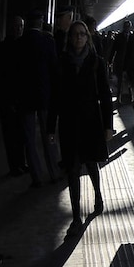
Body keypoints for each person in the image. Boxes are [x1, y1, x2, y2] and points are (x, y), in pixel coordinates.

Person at [48, 20, 115, 236]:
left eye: (82, 34)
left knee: (92, 163)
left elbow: (105, 96)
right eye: (75, 34)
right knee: (73, 169)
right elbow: (55, 98)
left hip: (90, 122)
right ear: (70, 38)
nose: (78, 37)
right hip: (69, 124)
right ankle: (76, 217)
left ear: (87, 37)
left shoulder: (97, 63)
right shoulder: (61, 63)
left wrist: (108, 126)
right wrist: (50, 128)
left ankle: (97, 194)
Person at [18, 10, 61, 187]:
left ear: (27, 23)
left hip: (25, 97)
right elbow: (54, 70)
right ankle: (54, 172)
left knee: (29, 137)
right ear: (42, 21)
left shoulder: (19, 43)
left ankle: (36, 176)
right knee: (49, 135)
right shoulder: (48, 42)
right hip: (45, 95)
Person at [0, 16, 29, 176]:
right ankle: (14, 165)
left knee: (20, 134)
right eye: (16, 26)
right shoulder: (3, 48)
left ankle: (21, 162)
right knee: (10, 134)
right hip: (7, 98)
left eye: (21, 26)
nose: (18, 29)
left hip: (20, 98)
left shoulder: (24, 46)